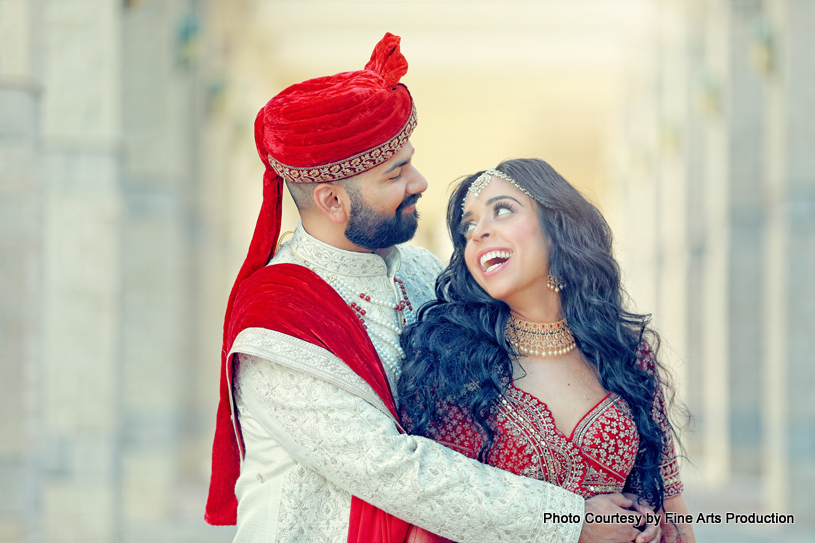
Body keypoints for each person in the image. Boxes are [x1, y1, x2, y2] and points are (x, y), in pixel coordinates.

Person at [205, 33, 660, 543]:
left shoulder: (421, 270)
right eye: (397, 173)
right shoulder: (278, 322)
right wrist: (571, 522)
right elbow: (391, 469)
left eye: (411, 161)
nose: (420, 181)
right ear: (333, 201)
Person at [398, 159, 696, 543]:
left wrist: (649, 523)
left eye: (502, 211)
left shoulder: (622, 351)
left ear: (557, 227)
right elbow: (436, 513)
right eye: (467, 227)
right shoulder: (455, 365)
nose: (479, 233)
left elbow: (670, 505)